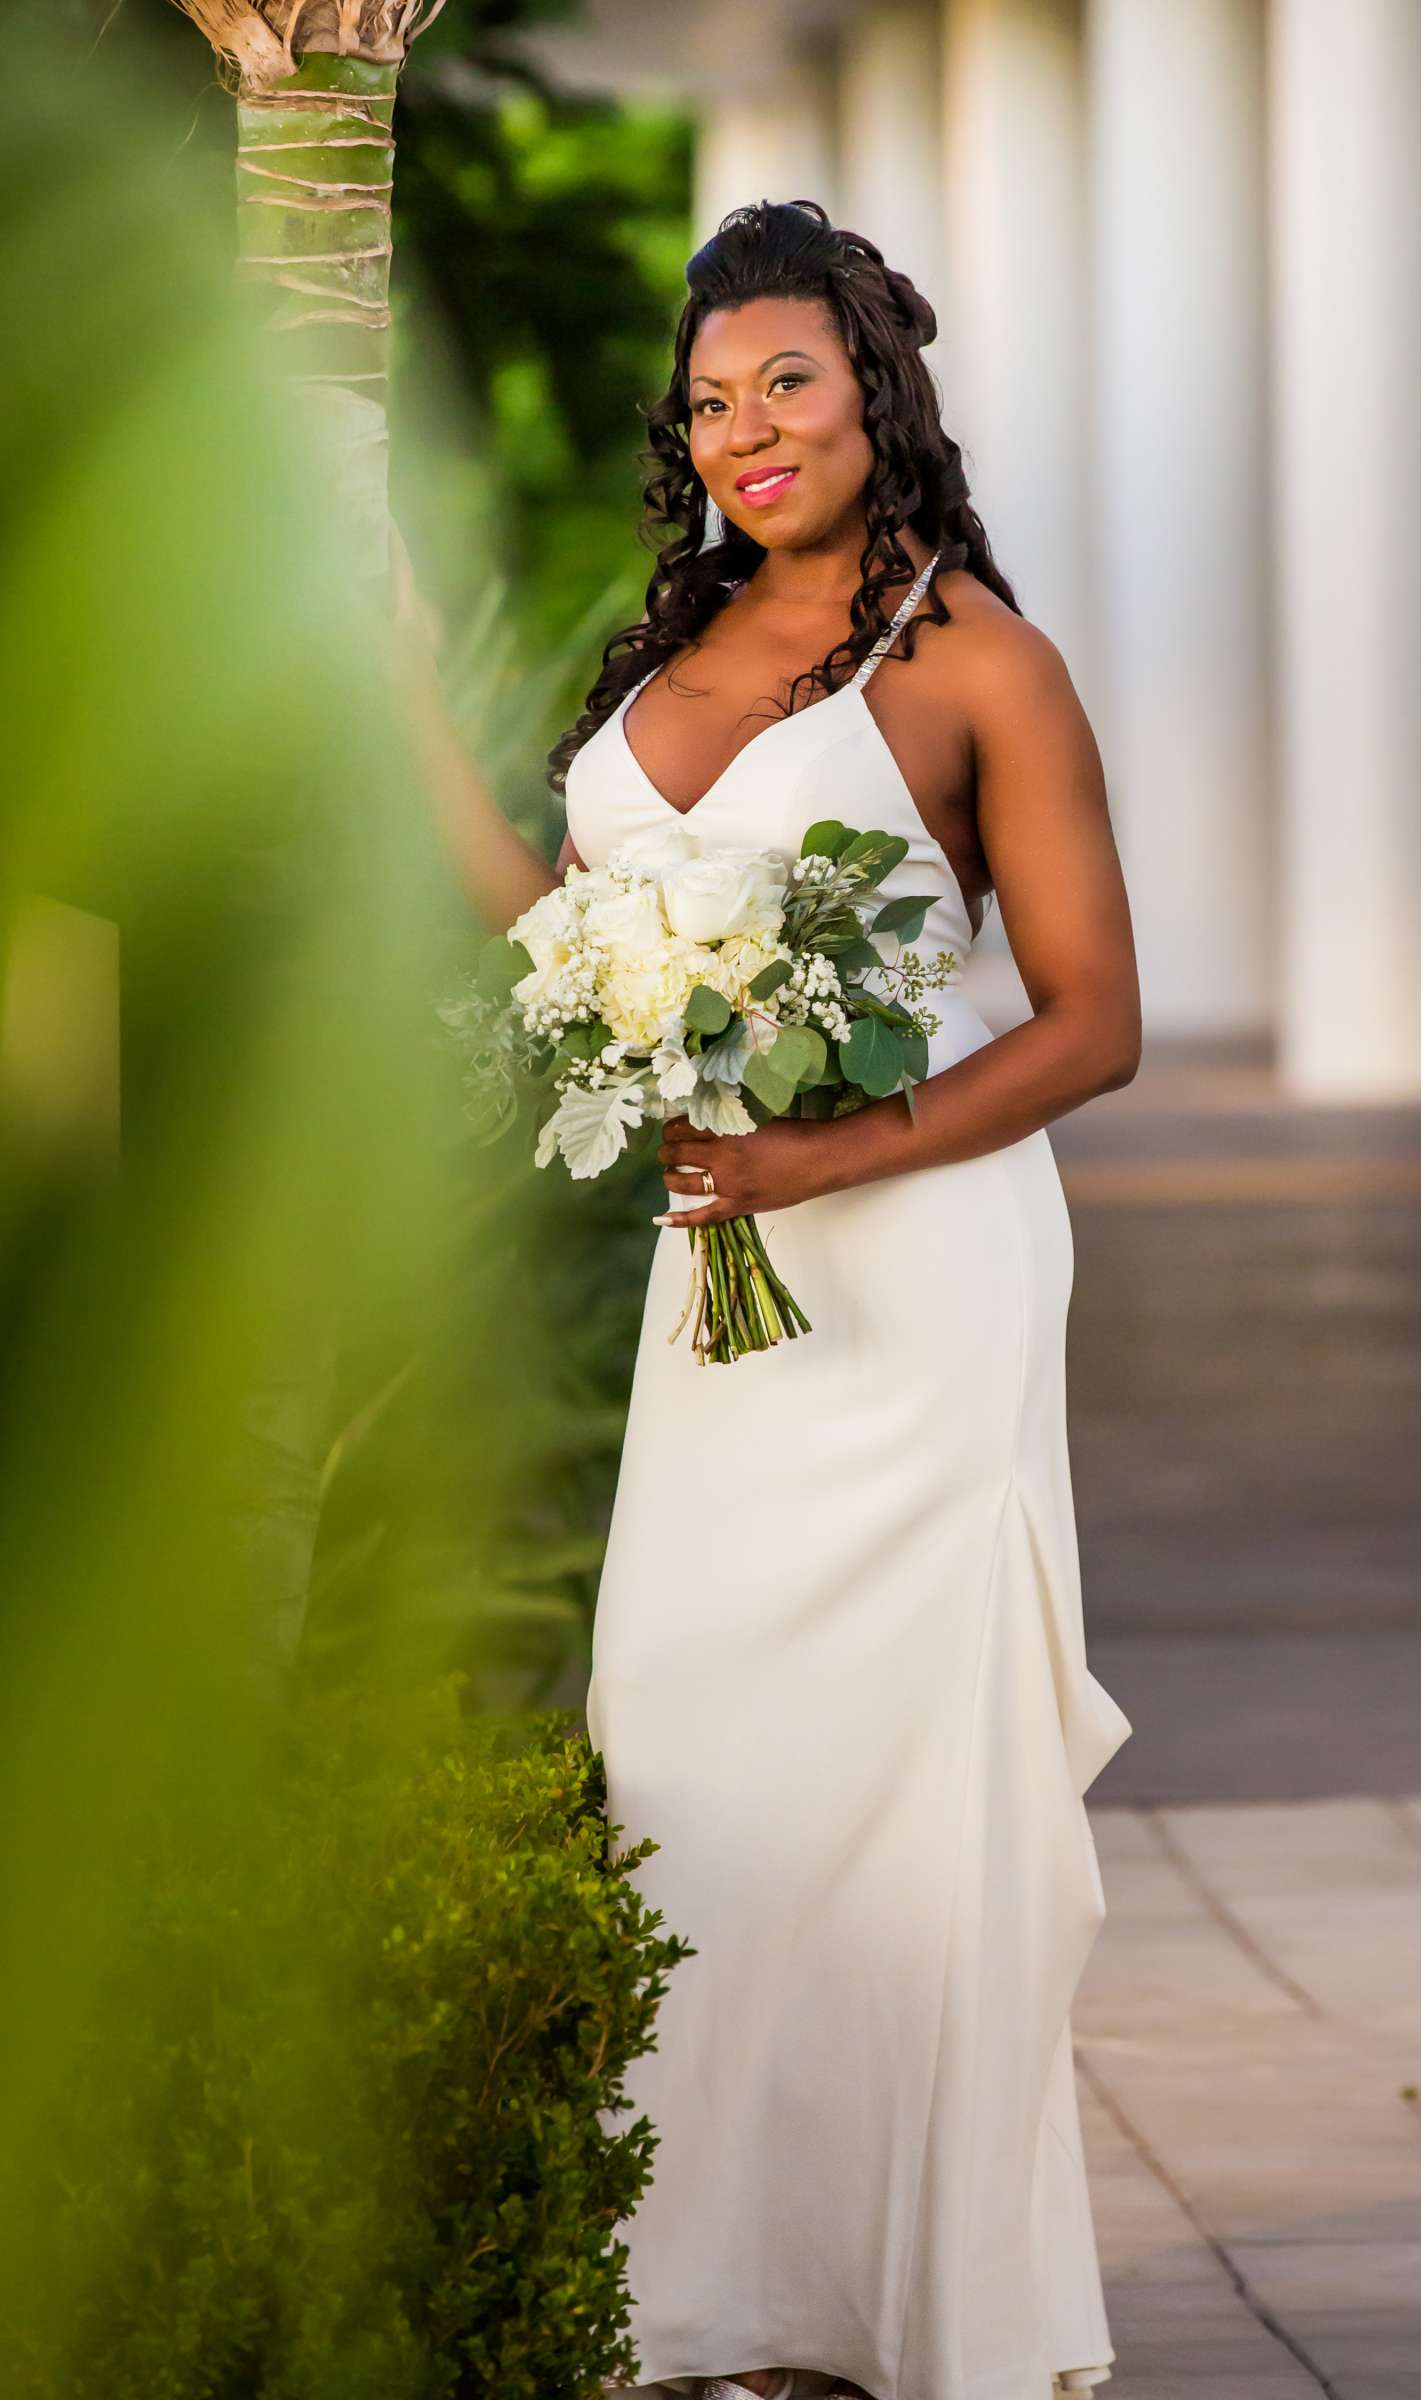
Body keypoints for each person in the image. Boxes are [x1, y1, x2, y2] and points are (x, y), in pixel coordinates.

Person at [398, 198, 1138, 2400]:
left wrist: (820, 1149)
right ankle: (709, 2306)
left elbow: (1092, 1023)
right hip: (718, 1299)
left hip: (912, 1295)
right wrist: (407, 713)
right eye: (711, 400)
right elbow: (562, 940)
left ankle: (921, 2320)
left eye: (786, 383)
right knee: (691, 1766)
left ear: (876, 390)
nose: (745, 431)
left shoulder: (970, 660)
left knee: (900, 1812)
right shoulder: (661, 662)